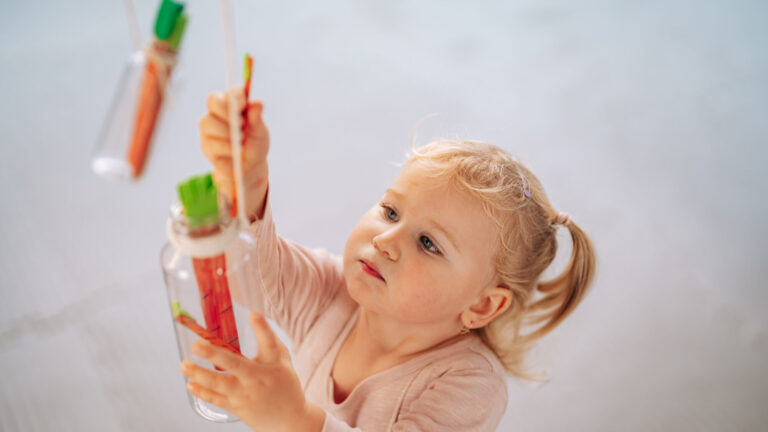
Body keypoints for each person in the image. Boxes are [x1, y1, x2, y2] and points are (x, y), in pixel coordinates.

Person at [179, 88, 596, 431]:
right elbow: (248, 277)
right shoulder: (331, 289)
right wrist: (247, 182)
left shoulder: (470, 384)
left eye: (428, 243)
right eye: (391, 212)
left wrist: (296, 422)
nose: (385, 241)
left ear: (483, 305)